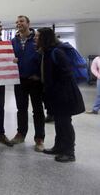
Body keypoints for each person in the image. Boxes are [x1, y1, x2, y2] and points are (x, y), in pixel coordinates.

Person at [36, 27, 85, 162]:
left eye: (37, 36)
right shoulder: (47, 51)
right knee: (59, 122)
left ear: (44, 38)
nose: (35, 38)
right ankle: (58, 146)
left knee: (65, 123)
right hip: (56, 95)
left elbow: (67, 74)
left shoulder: (57, 52)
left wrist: (56, 89)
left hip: (64, 95)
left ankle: (69, 152)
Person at [10, 16, 45, 152]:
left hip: (35, 81)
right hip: (19, 80)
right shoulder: (13, 41)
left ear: (28, 23)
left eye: (21, 21)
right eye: (17, 22)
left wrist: (40, 75)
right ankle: (21, 134)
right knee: (21, 109)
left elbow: (44, 58)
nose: (19, 23)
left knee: (38, 110)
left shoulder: (37, 39)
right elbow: (8, 58)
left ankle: (39, 139)